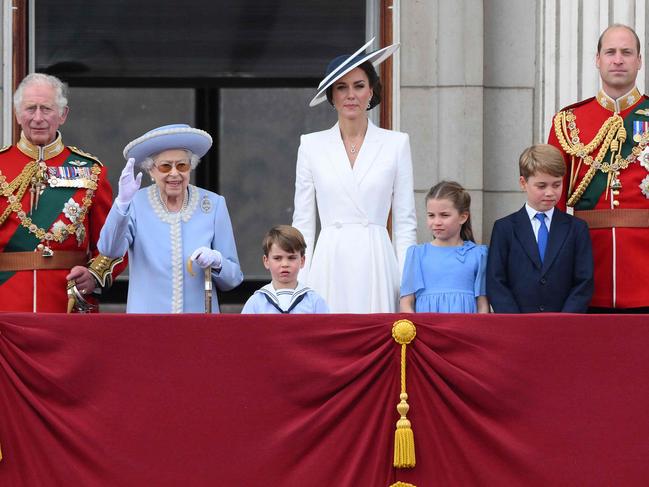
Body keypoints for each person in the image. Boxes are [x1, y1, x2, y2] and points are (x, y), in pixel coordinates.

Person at [291, 38, 417, 313]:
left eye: (359, 86)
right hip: (330, 260)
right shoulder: (311, 145)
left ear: (371, 91)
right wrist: (300, 282)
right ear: (331, 96)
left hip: (377, 259)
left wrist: (407, 285)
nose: (351, 95)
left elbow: (405, 223)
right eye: (342, 87)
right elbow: (302, 222)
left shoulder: (396, 143)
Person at [0, 73, 125, 312]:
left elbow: (114, 242)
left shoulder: (91, 171)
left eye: (46, 109)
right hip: (6, 305)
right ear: (17, 114)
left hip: (68, 304)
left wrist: (93, 275)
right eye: (30, 109)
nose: (38, 118)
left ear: (63, 115)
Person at [547, 24, 649, 313]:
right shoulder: (568, 122)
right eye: (611, 52)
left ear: (639, 61)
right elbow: (550, 201)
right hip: (586, 272)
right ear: (597, 59)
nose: (618, 60)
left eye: (627, 53)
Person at [97, 124, 243, 313]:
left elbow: (233, 279)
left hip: (198, 326)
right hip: (148, 325)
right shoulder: (135, 203)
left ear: (190, 168)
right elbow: (109, 250)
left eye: (182, 165)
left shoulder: (213, 205)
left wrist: (218, 262)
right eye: (165, 166)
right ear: (151, 171)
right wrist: (122, 203)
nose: (174, 173)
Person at [487, 144, 594, 313]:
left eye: (556, 185)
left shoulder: (576, 228)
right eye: (542, 186)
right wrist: (515, 321)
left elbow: (584, 280)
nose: (550, 192)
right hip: (518, 326)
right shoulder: (504, 228)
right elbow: (496, 281)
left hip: (564, 326)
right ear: (523, 183)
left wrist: (565, 319)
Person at [400, 181, 488, 313]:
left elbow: (482, 305)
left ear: (463, 217)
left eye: (444, 215)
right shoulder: (416, 254)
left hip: (464, 330)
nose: (436, 222)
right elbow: (406, 303)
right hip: (427, 330)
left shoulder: (478, 254)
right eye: (431, 215)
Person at [241, 225, 328, 314]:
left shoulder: (315, 302)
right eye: (277, 258)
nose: (285, 264)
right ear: (266, 261)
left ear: (302, 261)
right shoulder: (255, 303)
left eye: (291, 258)